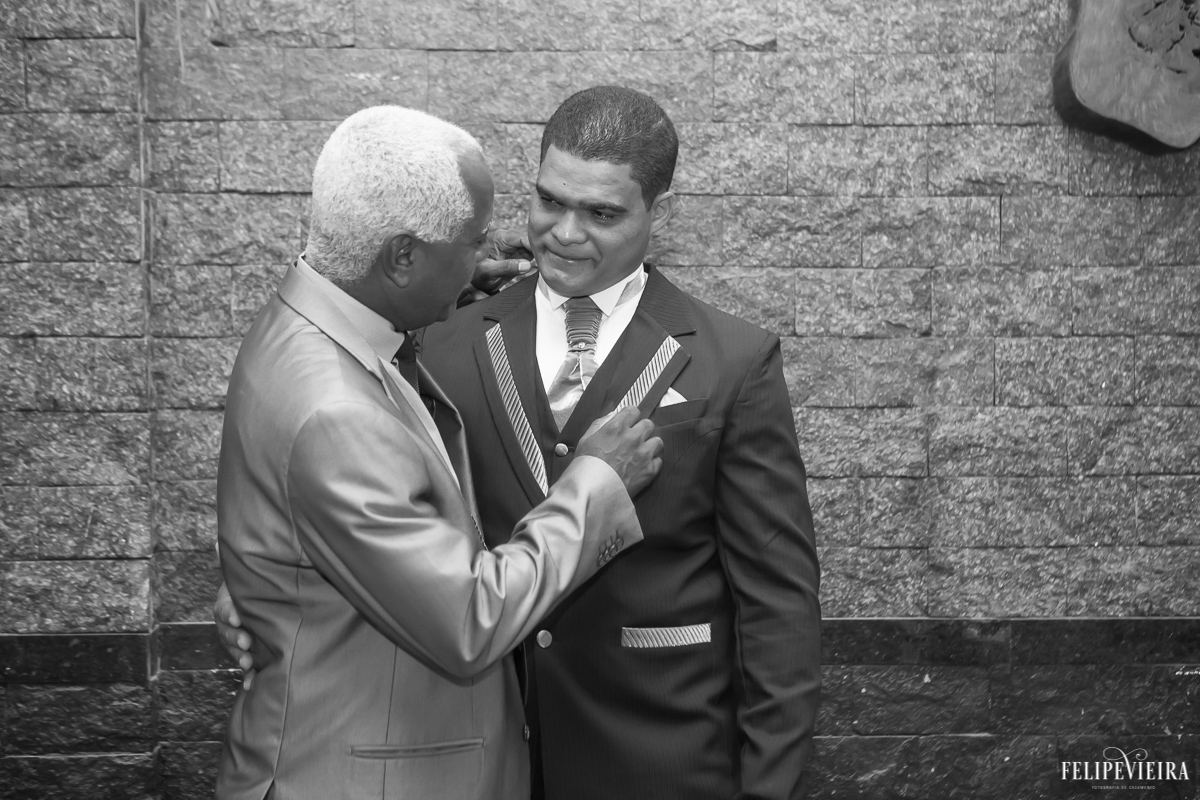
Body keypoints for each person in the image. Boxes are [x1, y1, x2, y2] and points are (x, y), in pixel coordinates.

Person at [219, 86, 821, 799]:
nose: (564, 233)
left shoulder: (734, 361)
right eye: (549, 201)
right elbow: (363, 504)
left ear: (658, 214)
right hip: (476, 760)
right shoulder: (434, 342)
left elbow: (777, 606)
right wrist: (277, 584)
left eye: (601, 213)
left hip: (659, 766)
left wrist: (770, 786)